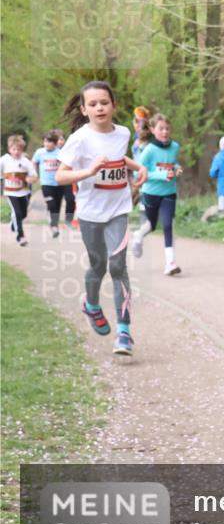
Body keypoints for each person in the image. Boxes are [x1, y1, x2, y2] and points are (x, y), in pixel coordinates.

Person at [56, 80, 148, 355]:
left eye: (104, 103)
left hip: (118, 209)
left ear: (114, 105)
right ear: (84, 110)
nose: (99, 108)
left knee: (118, 266)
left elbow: (118, 158)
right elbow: (61, 175)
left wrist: (138, 165)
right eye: (93, 104)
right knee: (98, 266)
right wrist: (88, 172)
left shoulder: (121, 133)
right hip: (91, 214)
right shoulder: (80, 139)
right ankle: (92, 305)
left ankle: (124, 332)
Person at [131, 113, 183, 275]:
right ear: (153, 130)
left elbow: (172, 163)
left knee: (168, 225)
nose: (165, 132)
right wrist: (161, 175)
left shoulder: (175, 146)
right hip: (151, 193)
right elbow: (137, 174)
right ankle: (138, 235)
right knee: (152, 226)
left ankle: (170, 263)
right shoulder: (148, 150)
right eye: (161, 129)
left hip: (169, 192)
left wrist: (177, 168)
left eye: (167, 128)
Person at [33, 129, 73, 237]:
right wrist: (34, 174)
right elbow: (34, 163)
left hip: (58, 183)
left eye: (50, 142)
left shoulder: (60, 153)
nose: (47, 144)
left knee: (57, 205)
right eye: (45, 141)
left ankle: (55, 223)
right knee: (51, 203)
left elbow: (66, 166)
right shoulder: (39, 152)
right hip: (46, 183)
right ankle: (54, 226)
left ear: (55, 143)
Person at [1, 134, 38, 246]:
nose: (16, 152)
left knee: (23, 214)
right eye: (14, 149)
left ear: (22, 149)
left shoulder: (26, 161)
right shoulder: (4, 160)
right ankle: (20, 236)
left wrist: (29, 179)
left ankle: (14, 223)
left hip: (24, 192)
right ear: (9, 149)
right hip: (10, 192)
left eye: (19, 149)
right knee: (17, 213)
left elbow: (34, 176)